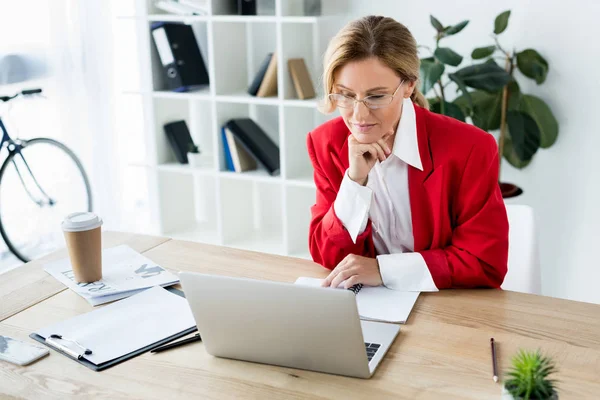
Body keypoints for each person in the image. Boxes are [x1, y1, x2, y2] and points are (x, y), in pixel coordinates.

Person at [306, 15, 509, 292]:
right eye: (345, 95)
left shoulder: (470, 148)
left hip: (448, 307)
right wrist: (354, 182)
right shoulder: (326, 143)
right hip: (370, 307)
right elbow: (327, 255)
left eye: (376, 96)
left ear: (409, 85)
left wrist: (383, 270)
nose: (359, 115)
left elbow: (484, 263)